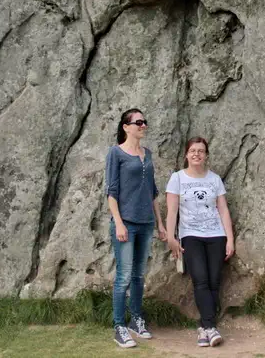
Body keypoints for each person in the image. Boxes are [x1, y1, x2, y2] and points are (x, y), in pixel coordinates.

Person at [105, 108, 167, 348]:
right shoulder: (116, 153)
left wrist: (160, 224)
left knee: (139, 276)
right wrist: (119, 222)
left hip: (146, 223)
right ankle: (119, 326)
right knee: (123, 277)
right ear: (126, 127)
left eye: (144, 122)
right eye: (138, 122)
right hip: (126, 223)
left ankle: (136, 320)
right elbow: (111, 192)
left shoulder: (148, 155)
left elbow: (152, 193)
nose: (143, 125)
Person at [165, 137, 235, 347]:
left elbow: (223, 209)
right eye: (193, 151)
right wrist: (171, 238)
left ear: (206, 155)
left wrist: (230, 238)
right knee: (201, 280)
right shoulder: (177, 178)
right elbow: (172, 211)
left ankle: (204, 328)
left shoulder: (214, 179)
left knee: (214, 281)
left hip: (216, 235)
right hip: (191, 235)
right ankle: (211, 327)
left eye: (201, 151)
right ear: (186, 154)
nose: (197, 154)